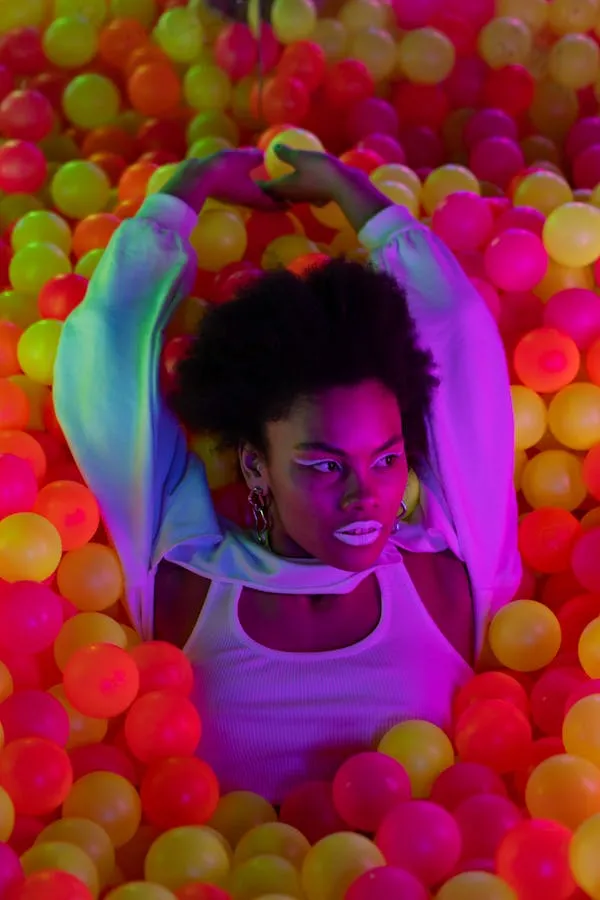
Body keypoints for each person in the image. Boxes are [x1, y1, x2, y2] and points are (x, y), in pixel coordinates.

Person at [53, 146, 521, 803]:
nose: (366, 495)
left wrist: (355, 193)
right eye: (324, 464)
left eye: (386, 458)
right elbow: (106, 346)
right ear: (257, 466)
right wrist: (187, 187)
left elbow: (460, 331)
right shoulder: (185, 572)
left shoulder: (449, 566)